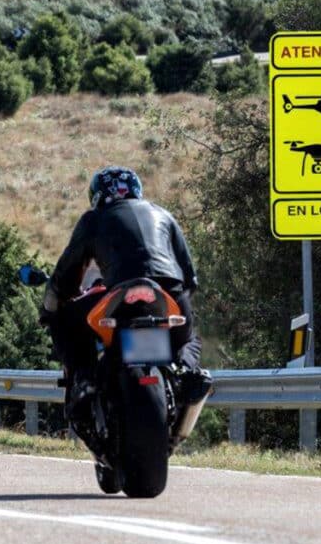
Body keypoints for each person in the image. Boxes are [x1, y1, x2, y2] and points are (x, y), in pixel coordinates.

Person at [42, 165, 207, 416]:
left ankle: (84, 380)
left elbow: (67, 272)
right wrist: (180, 300)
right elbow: (190, 277)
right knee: (191, 336)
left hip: (119, 293)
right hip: (169, 292)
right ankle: (185, 371)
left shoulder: (94, 219)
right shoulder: (163, 214)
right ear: (136, 190)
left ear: (96, 196)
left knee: (63, 321)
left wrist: (52, 306)